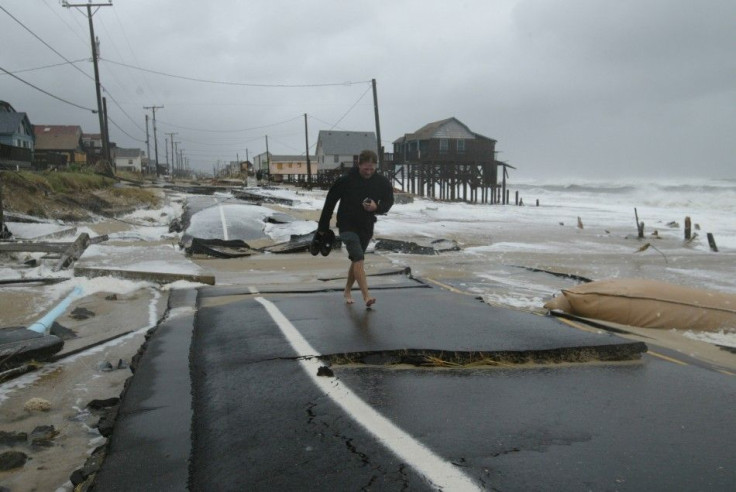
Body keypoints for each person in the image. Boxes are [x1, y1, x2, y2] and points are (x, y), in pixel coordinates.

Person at [317, 149, 394, 307]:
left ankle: (347, 290)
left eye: (372, 169)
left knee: (355, 260)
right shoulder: (345, 180)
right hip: (347, 225)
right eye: (366, 168)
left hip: (366, 226)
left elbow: (389, 202)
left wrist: (376, 207)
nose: (369, 172)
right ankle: (366, 296)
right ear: (358, 164)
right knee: (358, 257)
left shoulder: (381, 182)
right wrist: (322, 227)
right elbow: (330, 202)